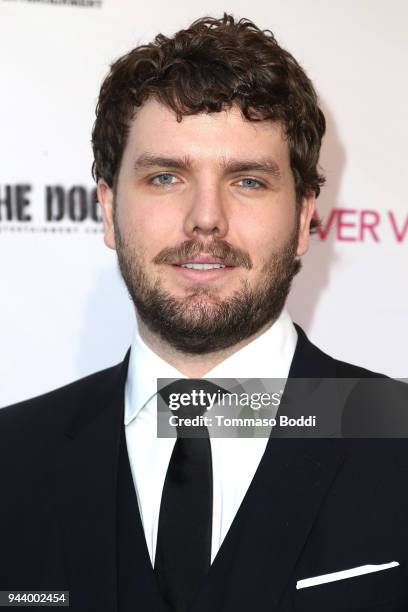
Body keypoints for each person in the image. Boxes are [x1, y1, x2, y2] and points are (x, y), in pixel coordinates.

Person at [1, 14, 407, 612]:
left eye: (247, 180)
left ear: (301, 219)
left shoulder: (397, 429)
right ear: (109, 211)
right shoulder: (11, 458)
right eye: (166, 176)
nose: (206, 218)